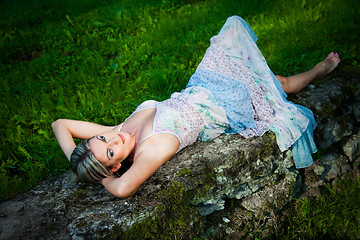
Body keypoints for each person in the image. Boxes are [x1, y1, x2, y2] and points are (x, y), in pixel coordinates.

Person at [52, 16, 340, 198]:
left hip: (202, 84)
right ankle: (319, 70)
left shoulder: (119, 131)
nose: (112, 139)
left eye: (101, 139)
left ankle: (305, 73)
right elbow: (124, 188)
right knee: (280, 84)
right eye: (111, 151)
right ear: (115, 167)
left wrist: (80, 162)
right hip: (227, 105)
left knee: (232, 27)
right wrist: (102, 176)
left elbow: (60, 124)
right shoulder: (151, 149)